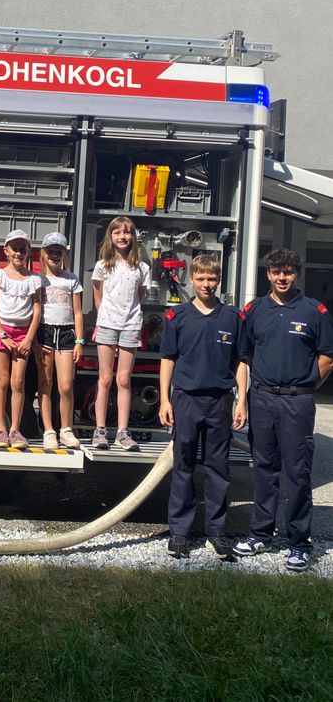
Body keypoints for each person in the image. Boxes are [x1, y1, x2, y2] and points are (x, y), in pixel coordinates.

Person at [233, 249, 333, 572]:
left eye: (288, 272)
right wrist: (242, 400)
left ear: (297, 274)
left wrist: (305, 387)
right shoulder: (254, 310)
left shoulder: (314, 311)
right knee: (263, 468)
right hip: (260, 399)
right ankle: (261, 533)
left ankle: (299, 543)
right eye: (276, 271)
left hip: (297, 402)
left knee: (298, 472)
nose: (282, 277)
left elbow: (327, 357)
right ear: (268, 274)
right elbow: (244, 358)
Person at [158, 254, 244, 561]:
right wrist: (166, 399)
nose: (207, 284)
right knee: (183, 466)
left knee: (218, 468)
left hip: (219, 401)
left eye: (212, 279)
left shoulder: (232, 318)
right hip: (186, 399)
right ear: (191, 279)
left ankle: (216, 532)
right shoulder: (178, 317)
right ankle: (179, 532)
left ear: (219, 280)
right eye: (201, 279)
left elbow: (241, 362)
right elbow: (168, 358)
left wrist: (241, 400)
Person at [91, 216, 151, 452]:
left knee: (123, 379)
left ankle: (123, 432)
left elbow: (141, 296)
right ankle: (101, 430)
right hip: (107, 324)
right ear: (111, 236)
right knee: (105, 378)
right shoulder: (102, 265)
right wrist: (105, 315)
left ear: (133, 237)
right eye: (117, 233)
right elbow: (98, 295)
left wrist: (129, 316)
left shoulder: (142, 267)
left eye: (127, 233)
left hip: (131, 325)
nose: (122, 237)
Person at [0, 230, 42, 450]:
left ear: (28, 251)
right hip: (3, 332)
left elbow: (37, 310)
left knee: (18, 382)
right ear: (6, 251)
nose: (18, 253)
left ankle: (15, 430)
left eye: (23, 249)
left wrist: (29, 338)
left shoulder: (34, 279)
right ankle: (0, 428)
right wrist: (1, 334)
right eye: (15, 248)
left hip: (23, 334)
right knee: (2, 379)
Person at [33, 232, 84, 450]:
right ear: (43, 254)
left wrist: (79, 340)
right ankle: (48, 430)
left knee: (65, 385)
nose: (54, 255)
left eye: (58, 251)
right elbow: (33, 310)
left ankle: (66, 429)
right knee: (45, 383)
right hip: (44, 332)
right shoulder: (37, 279)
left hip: (66, 334)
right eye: (50, 251)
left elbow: (78, 312)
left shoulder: (71, 278)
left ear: (64, 254)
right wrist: (33, 339)